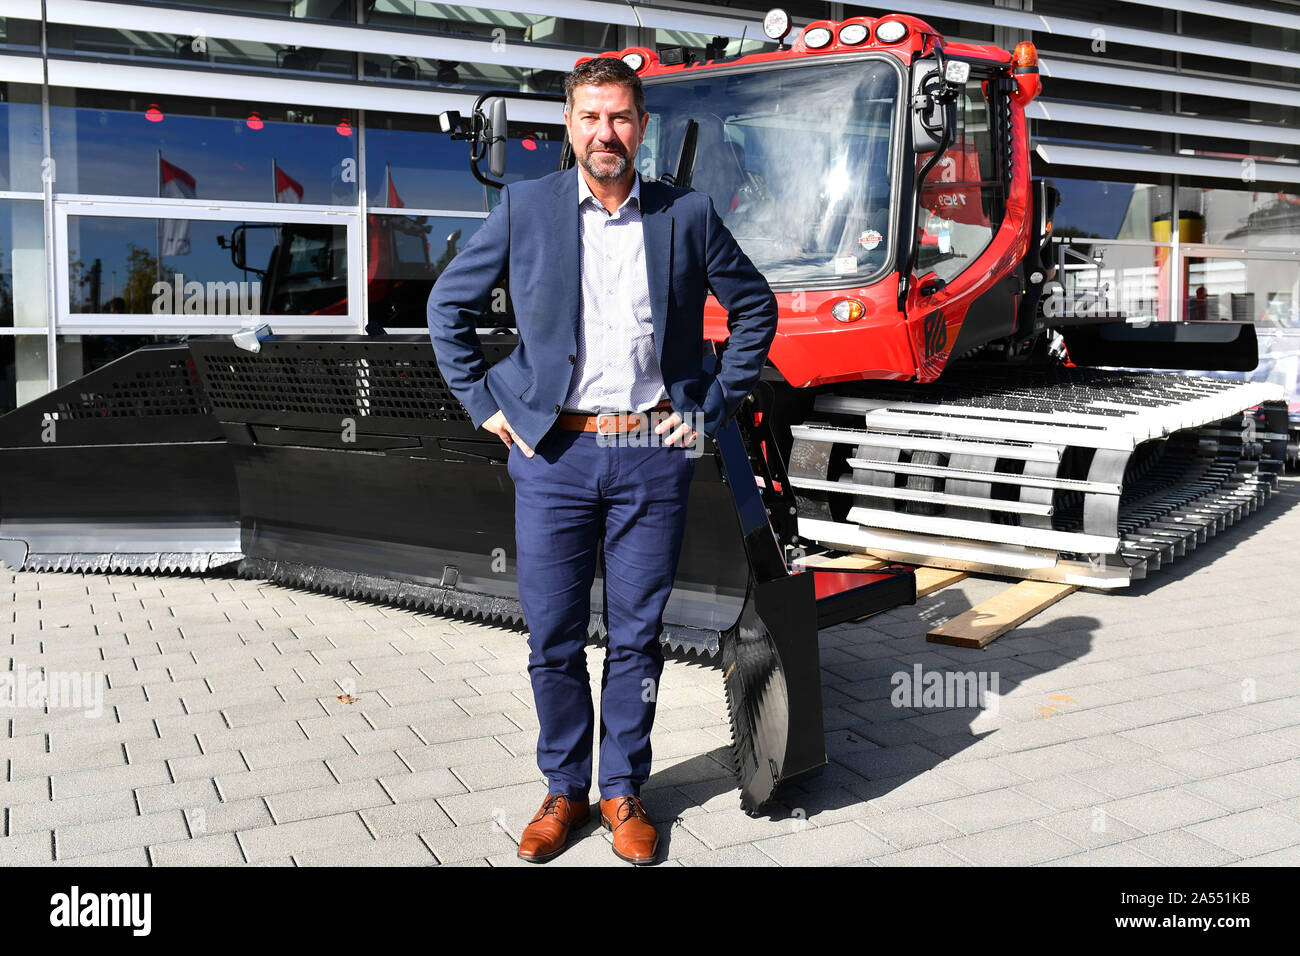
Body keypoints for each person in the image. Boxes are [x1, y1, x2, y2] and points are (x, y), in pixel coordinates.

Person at [427, 57, 777, 865]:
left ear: (641, 127)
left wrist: (709, 406)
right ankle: (563, 788)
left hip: (653, 451)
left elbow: (753, 305)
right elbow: (448, 307)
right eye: (589, 117)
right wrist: (487, 407)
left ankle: (622, 790)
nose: (604, 133)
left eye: (619, 117)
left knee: (637, 637)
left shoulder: (685, 214)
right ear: (569, 125)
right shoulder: (525, 209)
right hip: (555, 455)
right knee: (551, 633)